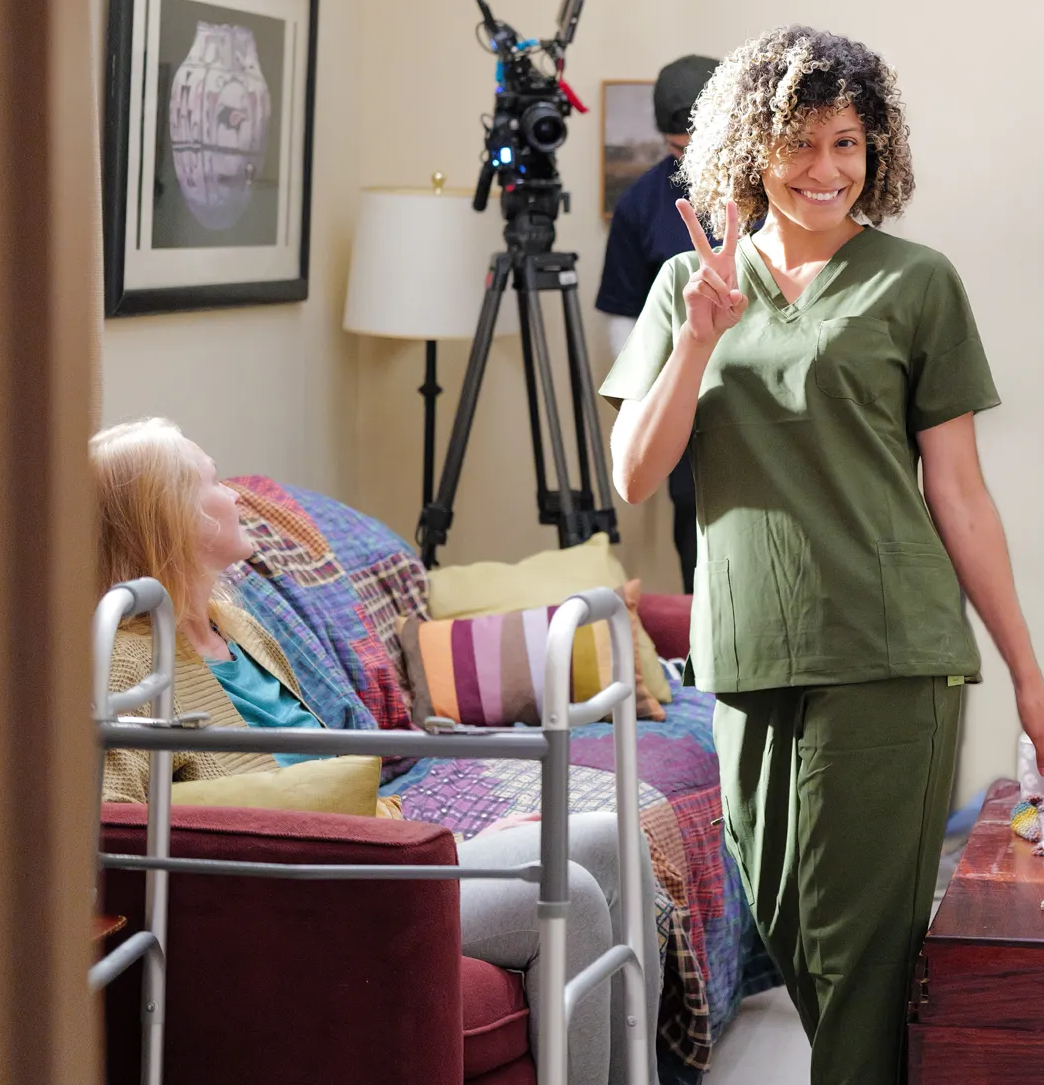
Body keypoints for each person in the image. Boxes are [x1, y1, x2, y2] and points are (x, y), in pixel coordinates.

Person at [600, 25, 1044, 1085]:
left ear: (876, 150)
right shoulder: (688, 284)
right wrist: (699, 338)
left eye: (847, 143)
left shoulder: (917, 283)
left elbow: (959, 494)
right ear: (750, 148)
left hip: (890, 646)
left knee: (863, 956)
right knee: (790, 927)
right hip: (747, 655)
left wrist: (1028, 674)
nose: (826, 169)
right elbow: (634, 474)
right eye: (800, 143)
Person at [92, 417, 659, 1085]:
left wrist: (450, 843)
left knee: (612, 839)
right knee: (572, 891)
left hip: (368, 856)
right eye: (213, 483)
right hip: (307, 894)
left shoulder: (237, 627)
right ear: (170, 517)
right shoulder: (128, 663)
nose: (237, 496)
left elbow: (323, 783)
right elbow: (114, 829)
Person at [597, 54, 718, 592]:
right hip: (688, 411)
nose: (691, 160)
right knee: (700, 561)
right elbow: (624, 316)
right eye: (677, 149)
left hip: (777, 404)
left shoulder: (781, 188)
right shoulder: (641, 205)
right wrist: (648, 405)